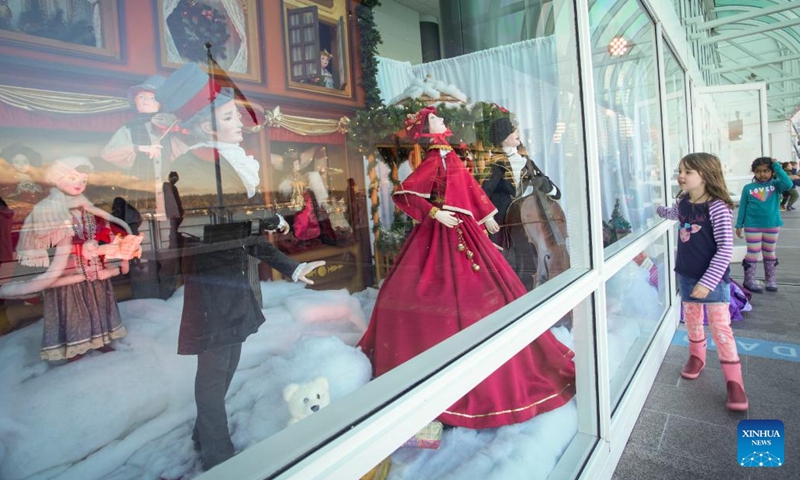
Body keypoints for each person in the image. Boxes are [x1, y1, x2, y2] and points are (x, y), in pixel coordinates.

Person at [357, 106, 575, 429]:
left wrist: (486, 215)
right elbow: (407, 192)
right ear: (428, 128)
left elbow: (471, 190)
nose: (443, 121)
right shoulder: (435, 158)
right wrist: (434, 213)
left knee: (498, 286)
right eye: (436, 119)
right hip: (443, 229)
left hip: (467, 226)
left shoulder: (450, 156)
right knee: (438, 291)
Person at [155, 62, 324, 470]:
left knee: (227, 363)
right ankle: (217, 453)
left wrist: (290, 267)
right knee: (214, 371)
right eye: (229, 117)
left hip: (234, 281)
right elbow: (205, 229)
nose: (240, 123)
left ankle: (203, 433)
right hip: (215, 283)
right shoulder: (195, 167)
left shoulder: (223, 161)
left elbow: (241, 230)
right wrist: (263, 220)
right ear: (204, 126)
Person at [0, 156, 142, 362]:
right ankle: (75, 348)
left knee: (98, 305)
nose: (79, 183)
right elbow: (45, 244)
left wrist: (116, 241)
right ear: (58, 179)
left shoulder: (86, 207)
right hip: (68, 273)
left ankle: (100, 340)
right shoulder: (47, 210)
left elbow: (100, 231)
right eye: (73, 177)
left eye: (83, 180)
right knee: (73, 310)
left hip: (93, 270)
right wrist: (81, 248)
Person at [656, 152, 747, 412]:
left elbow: (725, 250)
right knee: (693, 319)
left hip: (713, 279)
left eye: (688, 172)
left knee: (720, 327)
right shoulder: (684, 202)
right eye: (680, 171)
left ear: (705, 175)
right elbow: (671, 213)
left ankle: (734, 382)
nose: (681, 176)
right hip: (686, 274)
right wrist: (654, 210)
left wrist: (707, 282)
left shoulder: (718, 207)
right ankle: (696, 357)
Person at [482, 116, 563, 290]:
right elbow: (482, 193)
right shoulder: (496, 164)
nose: (519, 133)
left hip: (524, 222)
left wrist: (546, 185)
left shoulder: (527, 162)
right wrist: (486, 217)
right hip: (503, 222)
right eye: (514, 131)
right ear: (504, 137)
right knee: (506, 261)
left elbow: (556, 194)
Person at [735, 157, 793, 293]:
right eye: (758, 171)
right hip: (752, 225)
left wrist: (777, 166)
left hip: (772, 225)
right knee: (753, 253)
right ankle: (749, 281)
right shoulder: (748, 188)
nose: (762, 174)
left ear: (771, 171)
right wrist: (739, 225)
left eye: (766, 171)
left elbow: (789, 184)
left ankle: (771, 280)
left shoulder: (777, 185)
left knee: (769, 253)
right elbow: (743, 207)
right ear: (753, 172)